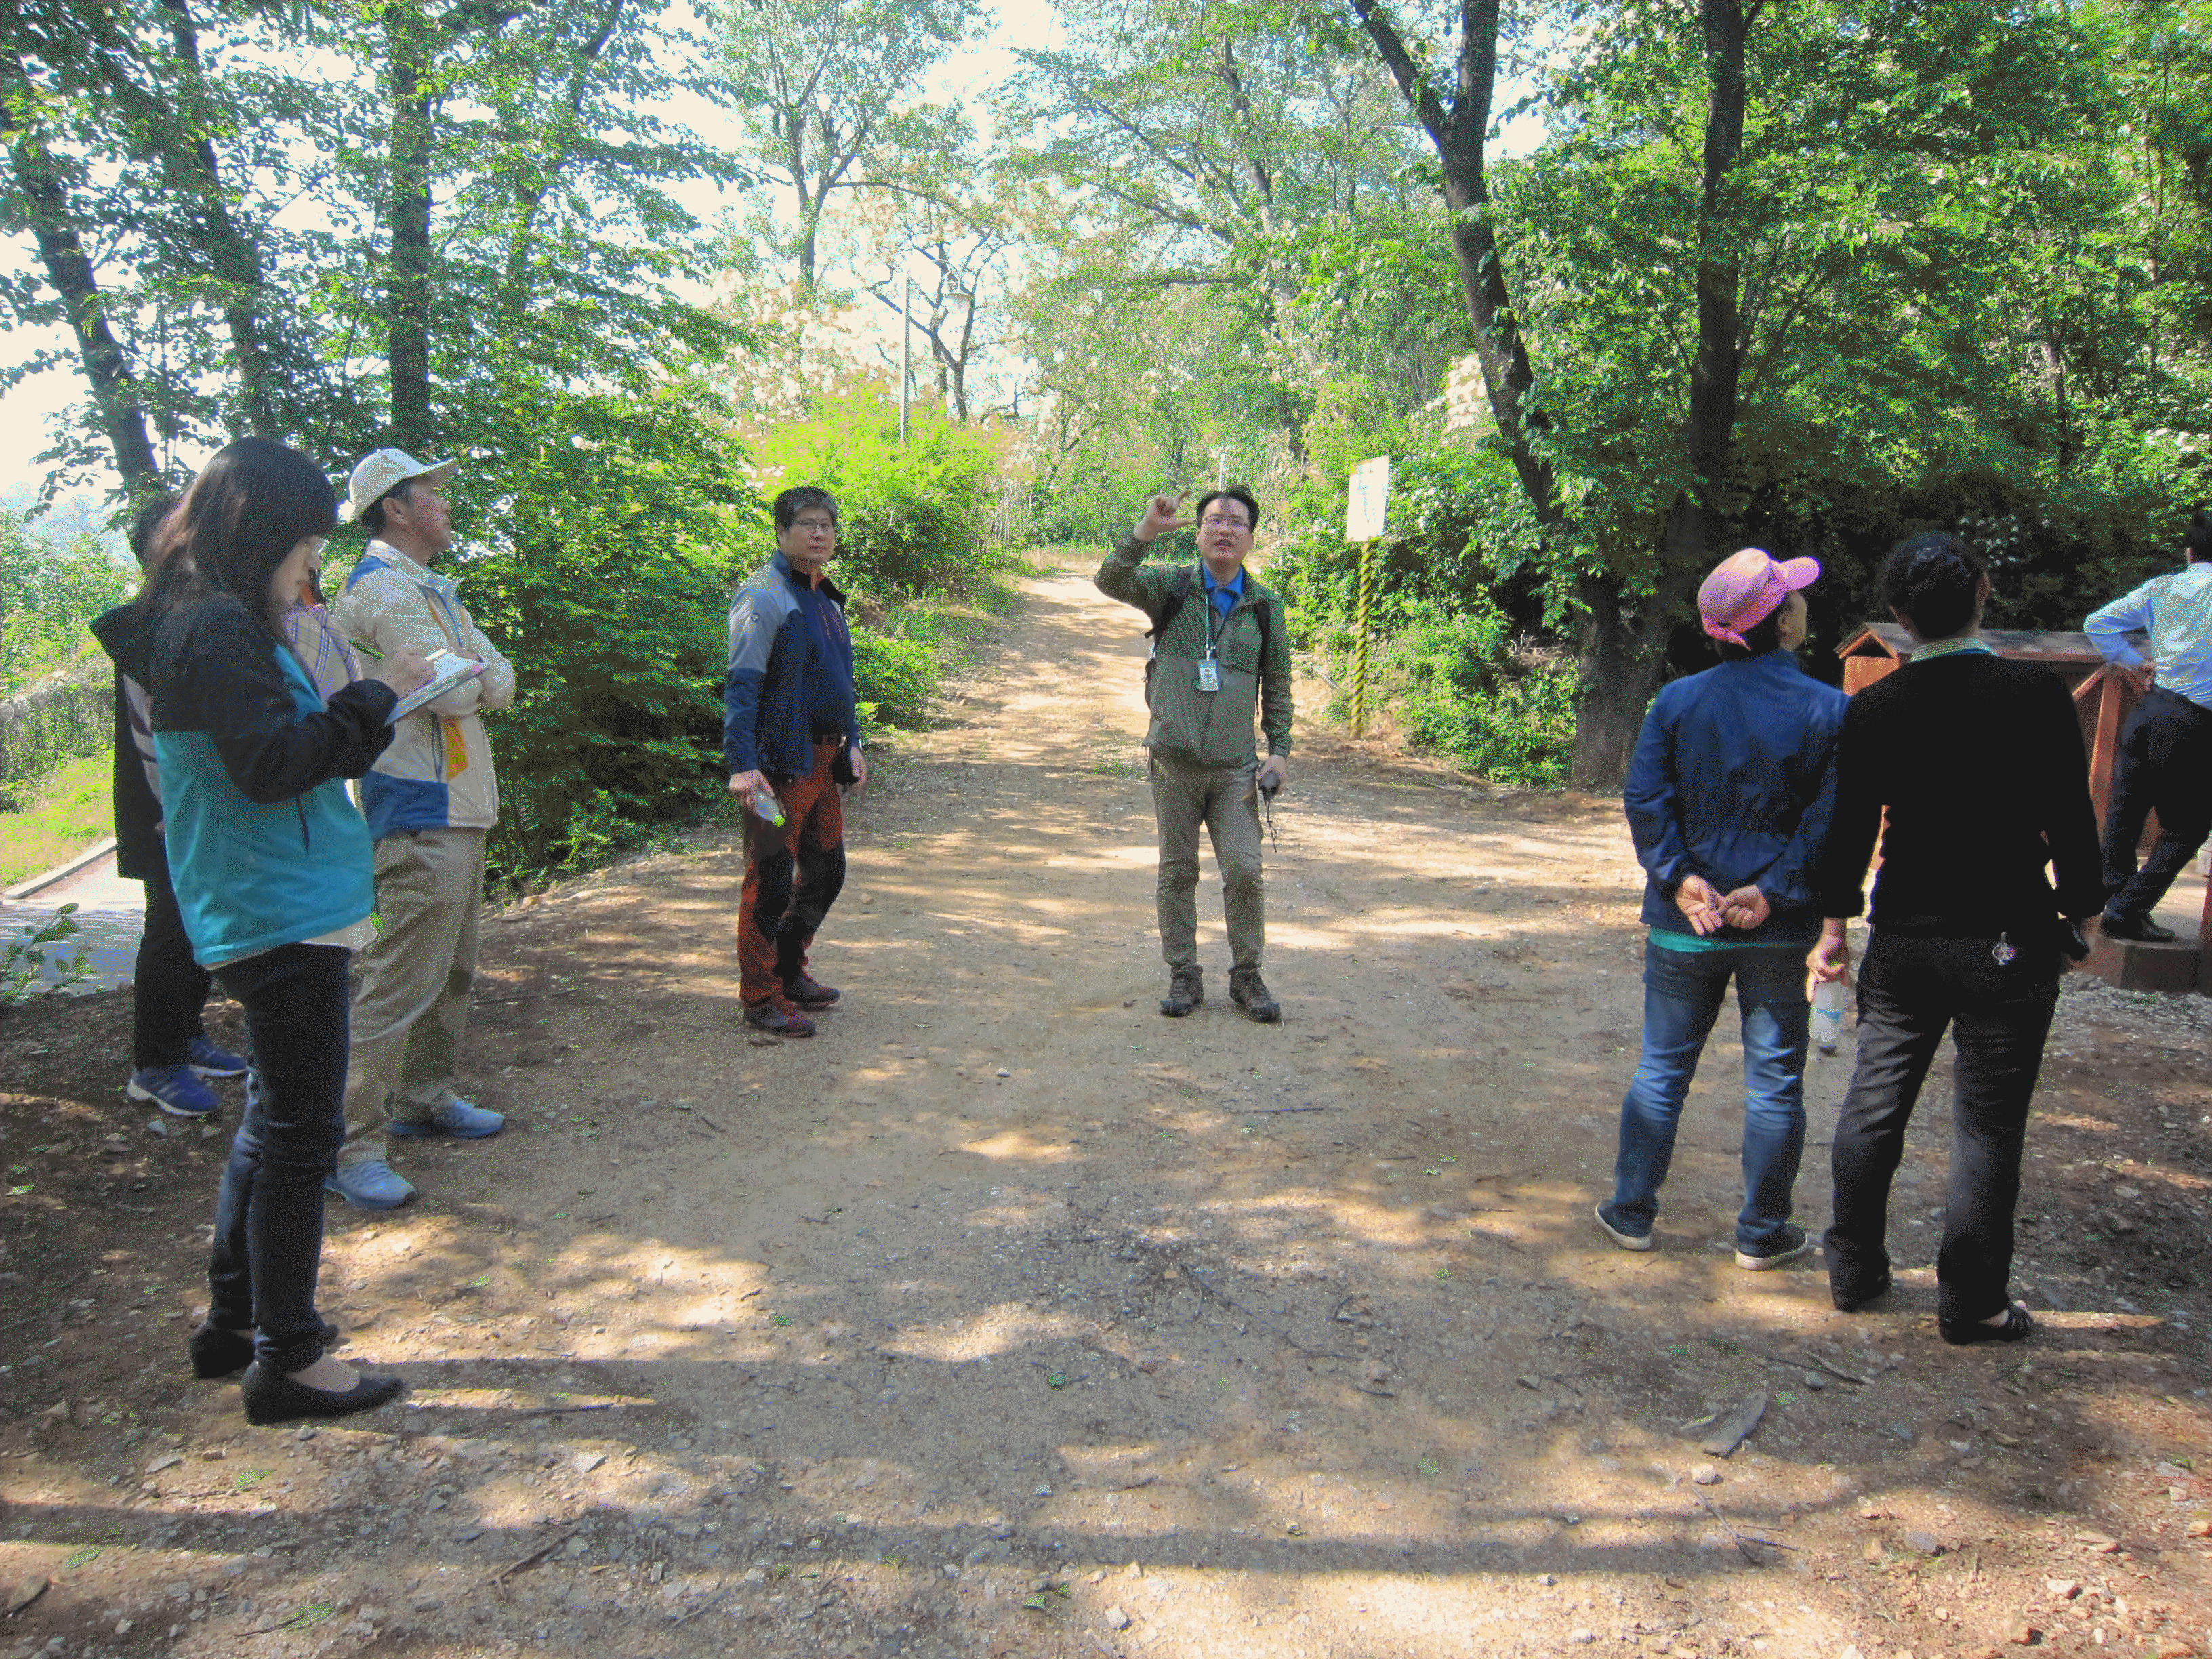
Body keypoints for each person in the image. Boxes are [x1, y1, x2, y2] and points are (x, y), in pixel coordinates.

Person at [126, 436, 433, 1422]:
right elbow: (272, 764)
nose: (311, 564)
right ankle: (290, 1359)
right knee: (302, 1135)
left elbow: (256, 755)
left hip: (264, 897)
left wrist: (357, 702)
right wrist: (377, 695)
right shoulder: (217, 628)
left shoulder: (198, 617)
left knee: (270, 1125)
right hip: (278, 905)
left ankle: (237, 1327)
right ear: (264, 531)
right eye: (305, 542)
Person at [1811, 531, 2101, 1345]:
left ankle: (1855, 1268)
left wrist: (1834, 926)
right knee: (1987, 1125)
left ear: (1899, 616)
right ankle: (1971, 1301)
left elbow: (1849, 830)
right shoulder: (2035, 695)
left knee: (1875, 1102)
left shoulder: (1874, 707)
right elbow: (2069, 814)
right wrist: (2084, 910)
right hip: (2008, 935)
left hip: (1904, 932)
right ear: (1984, 590)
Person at [1596, 548, 1847, 1268]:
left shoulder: (1678, 702)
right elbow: (1830, 821)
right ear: (1784, 621)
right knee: (1775, 1084)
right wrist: (1775, 890)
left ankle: (1632, 1212)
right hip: (1779, 928)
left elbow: (1645, 797)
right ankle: (1761, 1234)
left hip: (1687, 925)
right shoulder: (1831, 710)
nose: (1804, 607)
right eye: (1795, 599)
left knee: (1662, 1069)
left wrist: (1679, 879)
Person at [325, 449, 514, 1210]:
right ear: (395, 508)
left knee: (454, 969)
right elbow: (451, 692)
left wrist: (474, 670)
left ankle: (423, 1100)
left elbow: (497, 680)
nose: (444, 500)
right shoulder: (378, 589)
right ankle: (347, 1145)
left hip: (461, 801)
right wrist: (472, 671)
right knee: (400, 978)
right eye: (430, 490)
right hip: (416, 801)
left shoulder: (431, 589)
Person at [1097, 487, 1292, 1022]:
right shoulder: (1171, 585)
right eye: (1213, 520)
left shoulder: (1265, 606)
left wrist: (1280, 751)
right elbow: (1109, 580)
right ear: (1199, 532)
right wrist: (1145, 531)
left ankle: (1247, 975)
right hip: (1175, 762)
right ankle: (1184, 972)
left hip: (1235, 769)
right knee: (1177, 872)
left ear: (1251, 537)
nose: (1224, 529)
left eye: (1235, 522)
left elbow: (1277, 685)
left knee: (1245, 870)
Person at [91, 495, 250, 1118]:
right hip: (166, 807)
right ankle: (154, 1064)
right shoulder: (150, 627)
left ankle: (184, 1034)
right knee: (171, 927)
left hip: (186, 805)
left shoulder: (184, 618)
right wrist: (178, 809)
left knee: (195, 923)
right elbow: (150, 734)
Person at [724, 486, 866, 1038]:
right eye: (807, 523)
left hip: (823, 763)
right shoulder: (762, 596)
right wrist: (742, 764)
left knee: (827, 872)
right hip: (777, 765)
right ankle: (760, 996)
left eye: (827, 525)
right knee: (771, 882)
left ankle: (787, 969)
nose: (819, 533)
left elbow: (840, 683)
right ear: (781, 532)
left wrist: (852, 742)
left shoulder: (825, 597)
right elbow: (741, 688)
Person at [2083, 508, 2212, 941]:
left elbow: (2097, 623)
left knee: (2126, 810)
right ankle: (2128, 907)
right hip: (2194, 721)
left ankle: (2110, 901)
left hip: (2150, 710)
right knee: (2189, 826)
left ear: (2189, 552)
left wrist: (2137, 664)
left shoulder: (2162, 587)